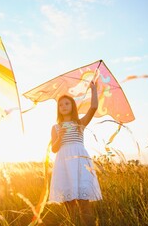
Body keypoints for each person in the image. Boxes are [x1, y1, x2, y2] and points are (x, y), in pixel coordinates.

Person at [49, 81, 102, 226]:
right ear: (58, 109)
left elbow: (93, 107)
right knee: (69, 203)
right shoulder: (55, 127)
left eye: (67, 104)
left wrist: (93, 89)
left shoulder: (80, 123)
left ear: (72, 106)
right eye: (61, 105)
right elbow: (54, 149)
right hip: (63, 163)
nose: (64, 106)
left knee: (84, 202)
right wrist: (60, 137)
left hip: (79, 162)